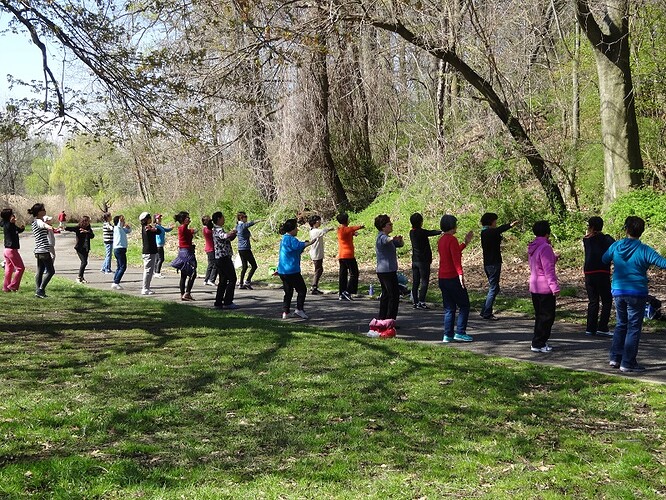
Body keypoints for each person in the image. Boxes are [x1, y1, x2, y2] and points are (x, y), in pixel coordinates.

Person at [602, 216, 666, 373]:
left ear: (626, 229)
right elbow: (663, 263)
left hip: (618, 290)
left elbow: (604, 259)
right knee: (633, 327)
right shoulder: (644, 250)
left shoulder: (616, 246)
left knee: (621, 324)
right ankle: (628, 362)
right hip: (636, 292)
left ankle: (615, 358)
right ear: (642, 231)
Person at [437, 215, 474, 342]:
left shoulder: (441, 240)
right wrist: (460, 275)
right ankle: (460, 331)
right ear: (452, 225)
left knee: (449, 308)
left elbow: (454, 253)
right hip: (452, 277)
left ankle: (447, 335)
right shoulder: (452, 239)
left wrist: (465, 243)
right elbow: (456, 259)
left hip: (442, 277)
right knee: (464, 305)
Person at [528, 220, 560, 353]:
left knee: (540, 316)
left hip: (534, 285)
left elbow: (540, 263)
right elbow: (548, 269)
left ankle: (538, 341)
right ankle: (539, 343)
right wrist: (554, 287)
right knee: (547, 317)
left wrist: (554, 257)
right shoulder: (545, 247)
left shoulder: (533, 246)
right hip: (544, 287)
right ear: (547, 232)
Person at [278, 218, 320, 319]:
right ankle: (299, 309)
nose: (297, 230)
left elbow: (296, 249)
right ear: (291, 229)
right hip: (291, 270)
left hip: (282, 270)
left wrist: (304, 245)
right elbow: (298, 245)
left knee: (288, 292)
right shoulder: (291, 239)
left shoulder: (284, 238)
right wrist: (310, 243)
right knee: (302, 290)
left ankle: (286, 312)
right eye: (296, 228)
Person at [479, 213, 518, 320]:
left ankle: (485, 310)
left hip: (489, 263)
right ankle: (487, 313)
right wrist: (510, 225)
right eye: (495, 221)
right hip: (493, 263)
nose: (496, 223)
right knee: (494, 288)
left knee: (495, 288)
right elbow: (499, 230)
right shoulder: (488, 232)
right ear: (491, 221)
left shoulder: (485, 232)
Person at [583, 216, 615, 336]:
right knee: (606, 300)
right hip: (602, 272)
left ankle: (590, 328)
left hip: (589, 273)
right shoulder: (605, 238)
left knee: (593, 300)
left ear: (590, 227)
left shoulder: (586, 239)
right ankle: (602, 326)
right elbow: (615, 246)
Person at [374, 214, 404, 321]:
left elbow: (400, 245)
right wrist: (392, 238)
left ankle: (383, 318)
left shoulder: (388, 239)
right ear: (383, 226)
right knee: (393, 295)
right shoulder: (381, 237)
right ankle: (389, 320)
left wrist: (399, 240)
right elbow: (385, 240)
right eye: (389, 224)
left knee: (386, 295)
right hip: (385, 271)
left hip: (390, 270)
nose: (391, 225)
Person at [409, 212, 441, 310]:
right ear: (420, 222)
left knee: (415, 282)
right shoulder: (421, 232)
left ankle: (415, 302)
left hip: (415, 260)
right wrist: (441, 232)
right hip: (423, 260)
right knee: (424, 281)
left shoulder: (412, 232)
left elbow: (428, 232)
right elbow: (431, 232)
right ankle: (421, 301)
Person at [212, 212, 239, 309]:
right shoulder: (217, 229)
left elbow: (228, 239)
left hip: (220, 258)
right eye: (223, 218)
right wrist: (232, 232)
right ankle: (228, 302)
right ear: (218, 219)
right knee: (232, 279)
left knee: (223, 281)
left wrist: (233, 234)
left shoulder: (216, 229)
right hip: (223, 258)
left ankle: (218, 302)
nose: (224, 219)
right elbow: (224, 236)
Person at [27, 203, 55, 298]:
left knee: (40, 271)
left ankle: (38, 291)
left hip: (38, 251)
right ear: (38, 212)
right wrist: (50, 227)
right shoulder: (38, 221)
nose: (45, 210)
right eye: (43, 209)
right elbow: (44, 225)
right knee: (51, 271)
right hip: (43, 250)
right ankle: (40, 290)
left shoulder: (34, 222)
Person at [336, 213, 364, 301]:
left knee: (343, 275)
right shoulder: (344, 229)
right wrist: (360, 226)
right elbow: (350, 229)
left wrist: (353, 234)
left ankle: (342, 293)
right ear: (346, 220)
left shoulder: (340, 230)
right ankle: (348, 291)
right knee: (354, 273)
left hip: (342, 256)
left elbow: (349, 232)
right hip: (348, 255)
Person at [171, 211, 197, 301]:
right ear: (183, 219)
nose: (189, 219)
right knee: (193, 273)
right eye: (187, 218)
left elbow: (188, 232)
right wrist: (191, 230)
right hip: (187, 253)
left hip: (183, 251)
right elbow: (185, 230)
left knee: (184, 274)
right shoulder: (182, 228)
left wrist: (192, 231)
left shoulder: (183, 228)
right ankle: (187, 293)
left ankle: (183, 294)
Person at [64, 215, 95, 284]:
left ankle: (81, 277)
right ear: (84, 221)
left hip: (86, 248)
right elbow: (72, 228)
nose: (89, 223)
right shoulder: (78, 227)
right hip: (79, 248)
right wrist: (64, 227)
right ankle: (78, 277)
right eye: (88, 221)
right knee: (84, 262)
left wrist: (86, 232)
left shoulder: (88, 228)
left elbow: (92, 236)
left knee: (84, 263)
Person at [1, 208, 25, 292]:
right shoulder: (7, 224)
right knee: (20, 268)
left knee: (9, 268)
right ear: (8, 216)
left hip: (7, 250)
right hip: (11, 250)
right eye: (12, 214)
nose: (13, 215)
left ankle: (6, 287)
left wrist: (22, 228)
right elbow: (9, 227)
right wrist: (12, 223)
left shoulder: (11, 225)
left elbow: (17, 230)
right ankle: (13, 286)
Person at [308, 215, 333, 295]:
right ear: (314, 223)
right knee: (318, 270)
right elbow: (324, 230)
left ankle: (314, 286)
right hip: (316, 254)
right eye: (318, 221)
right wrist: (331, 228)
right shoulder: (315, 231)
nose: (320, 223)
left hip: (317, 253)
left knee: (319, 269)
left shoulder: (314, 231)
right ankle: (314, 287)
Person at [236, 212, 260, 289]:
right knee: (254, 266)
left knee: (245, 266)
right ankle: (247, 281)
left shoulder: (237, 226)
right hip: (245, 249)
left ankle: (241, 283)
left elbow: (246, 232)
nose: (246, 218)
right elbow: (249, 224)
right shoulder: (242, 225)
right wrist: (257, 221)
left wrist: (252, 238)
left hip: (240, 248)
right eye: (245, 217)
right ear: (241, 218)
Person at [139, 212, 159, 295]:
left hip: (150, 251)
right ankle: (145, 288)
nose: (151, 219)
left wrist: (154, 229)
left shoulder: (149, 227)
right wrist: (153, 229)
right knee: (148, 271)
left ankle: (147, 287)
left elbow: (158, 232)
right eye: (149, 217)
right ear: (146, 219)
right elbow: (156, 231)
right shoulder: (146, 228)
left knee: (149, 271)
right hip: (149, 252)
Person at [111, 214, 131, 290]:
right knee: (123, 267)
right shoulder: (117, 228)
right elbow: (119, 224)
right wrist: (121, 219)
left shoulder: (122, 229)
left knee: (119, 267)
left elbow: (128, 231)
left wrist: (129, 228)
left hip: (120, 249)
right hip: (119, 249)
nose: (124, 222)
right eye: (122, 220)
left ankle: (115, 282)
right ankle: (116, 282)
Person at [153, 213, 173, 279]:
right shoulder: (156, 226)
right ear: (155, 219)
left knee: (157, 259)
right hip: (158, 244)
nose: (160, 219)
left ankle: (155, 272)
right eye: (158, 218)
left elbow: (166, 230)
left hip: (160, 244)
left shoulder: (160, 226)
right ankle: (157, 272)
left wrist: (171, 228)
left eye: (160, 218)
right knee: (161, 259)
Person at [202, 215, 217, 286]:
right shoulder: (207, 230)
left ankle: (206, 279)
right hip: (211, 248)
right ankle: (211, 279)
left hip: (210, 248)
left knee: (210, 264)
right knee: (214, 264)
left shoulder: (208, 229)